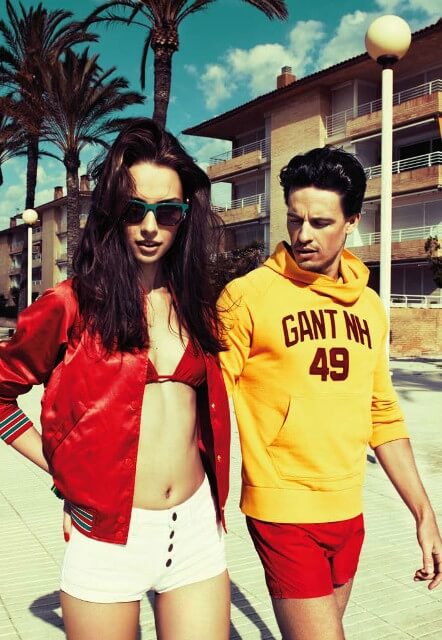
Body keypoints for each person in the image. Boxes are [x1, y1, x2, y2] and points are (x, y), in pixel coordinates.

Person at [0, 118, 231, 640]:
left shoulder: (196, 305)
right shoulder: (71, 304)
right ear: (112, 213)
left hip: (195, 529)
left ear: (184, 217)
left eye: (167, 212)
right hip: (107, 541)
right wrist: (65, 472)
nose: (150, 226)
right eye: (134, 210)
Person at [218, 147, 442, 640]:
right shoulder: (246, 296)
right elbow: (205, 401)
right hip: (282, 510)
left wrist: (424, 514)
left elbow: (382, 413)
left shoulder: (370, 307)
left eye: (320, 222)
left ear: (352, 222)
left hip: (348, 510)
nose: (303, 235)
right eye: (295, 219)